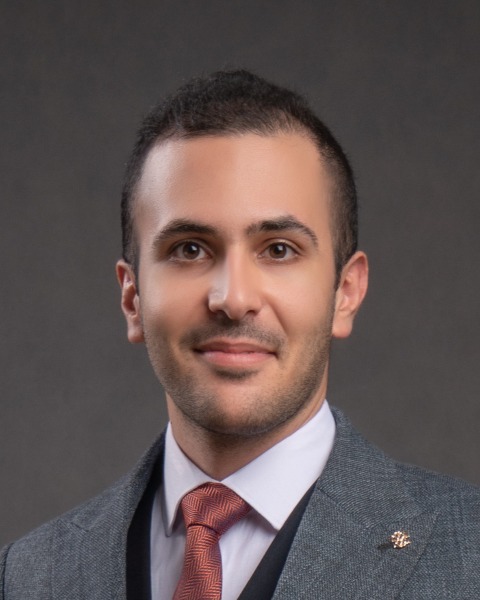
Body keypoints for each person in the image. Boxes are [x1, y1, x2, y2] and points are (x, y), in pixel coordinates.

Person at [1, 69, 479, 600]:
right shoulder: (27, 577)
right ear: (132, 298)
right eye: (189, 249)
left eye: (278, 249)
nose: (233, 298)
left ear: (345, 292)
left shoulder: (470, 557)